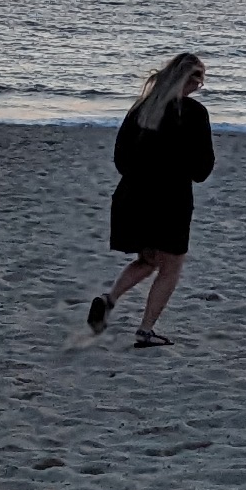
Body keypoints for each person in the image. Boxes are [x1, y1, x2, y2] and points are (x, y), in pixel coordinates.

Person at [88, 52, 212, 347]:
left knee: (148, 259)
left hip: (132, 196)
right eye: (199, 79)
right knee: (171, 266)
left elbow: (120, 159)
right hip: (171, 199)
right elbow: (202, 170)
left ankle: (109, 299)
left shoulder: (142, 108)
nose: (200, 85)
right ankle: (145, 330)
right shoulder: (193, 113)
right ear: (190, 80)